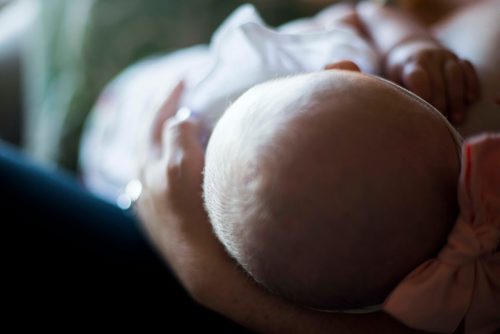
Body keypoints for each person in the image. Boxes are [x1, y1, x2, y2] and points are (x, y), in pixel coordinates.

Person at [2, 0, 498, 332]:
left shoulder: (308, 72)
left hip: (131, 138)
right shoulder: (423, 285)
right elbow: (370, 10)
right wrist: (406, 41)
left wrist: (200, 266)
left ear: (340, 71)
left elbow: (356, 16)